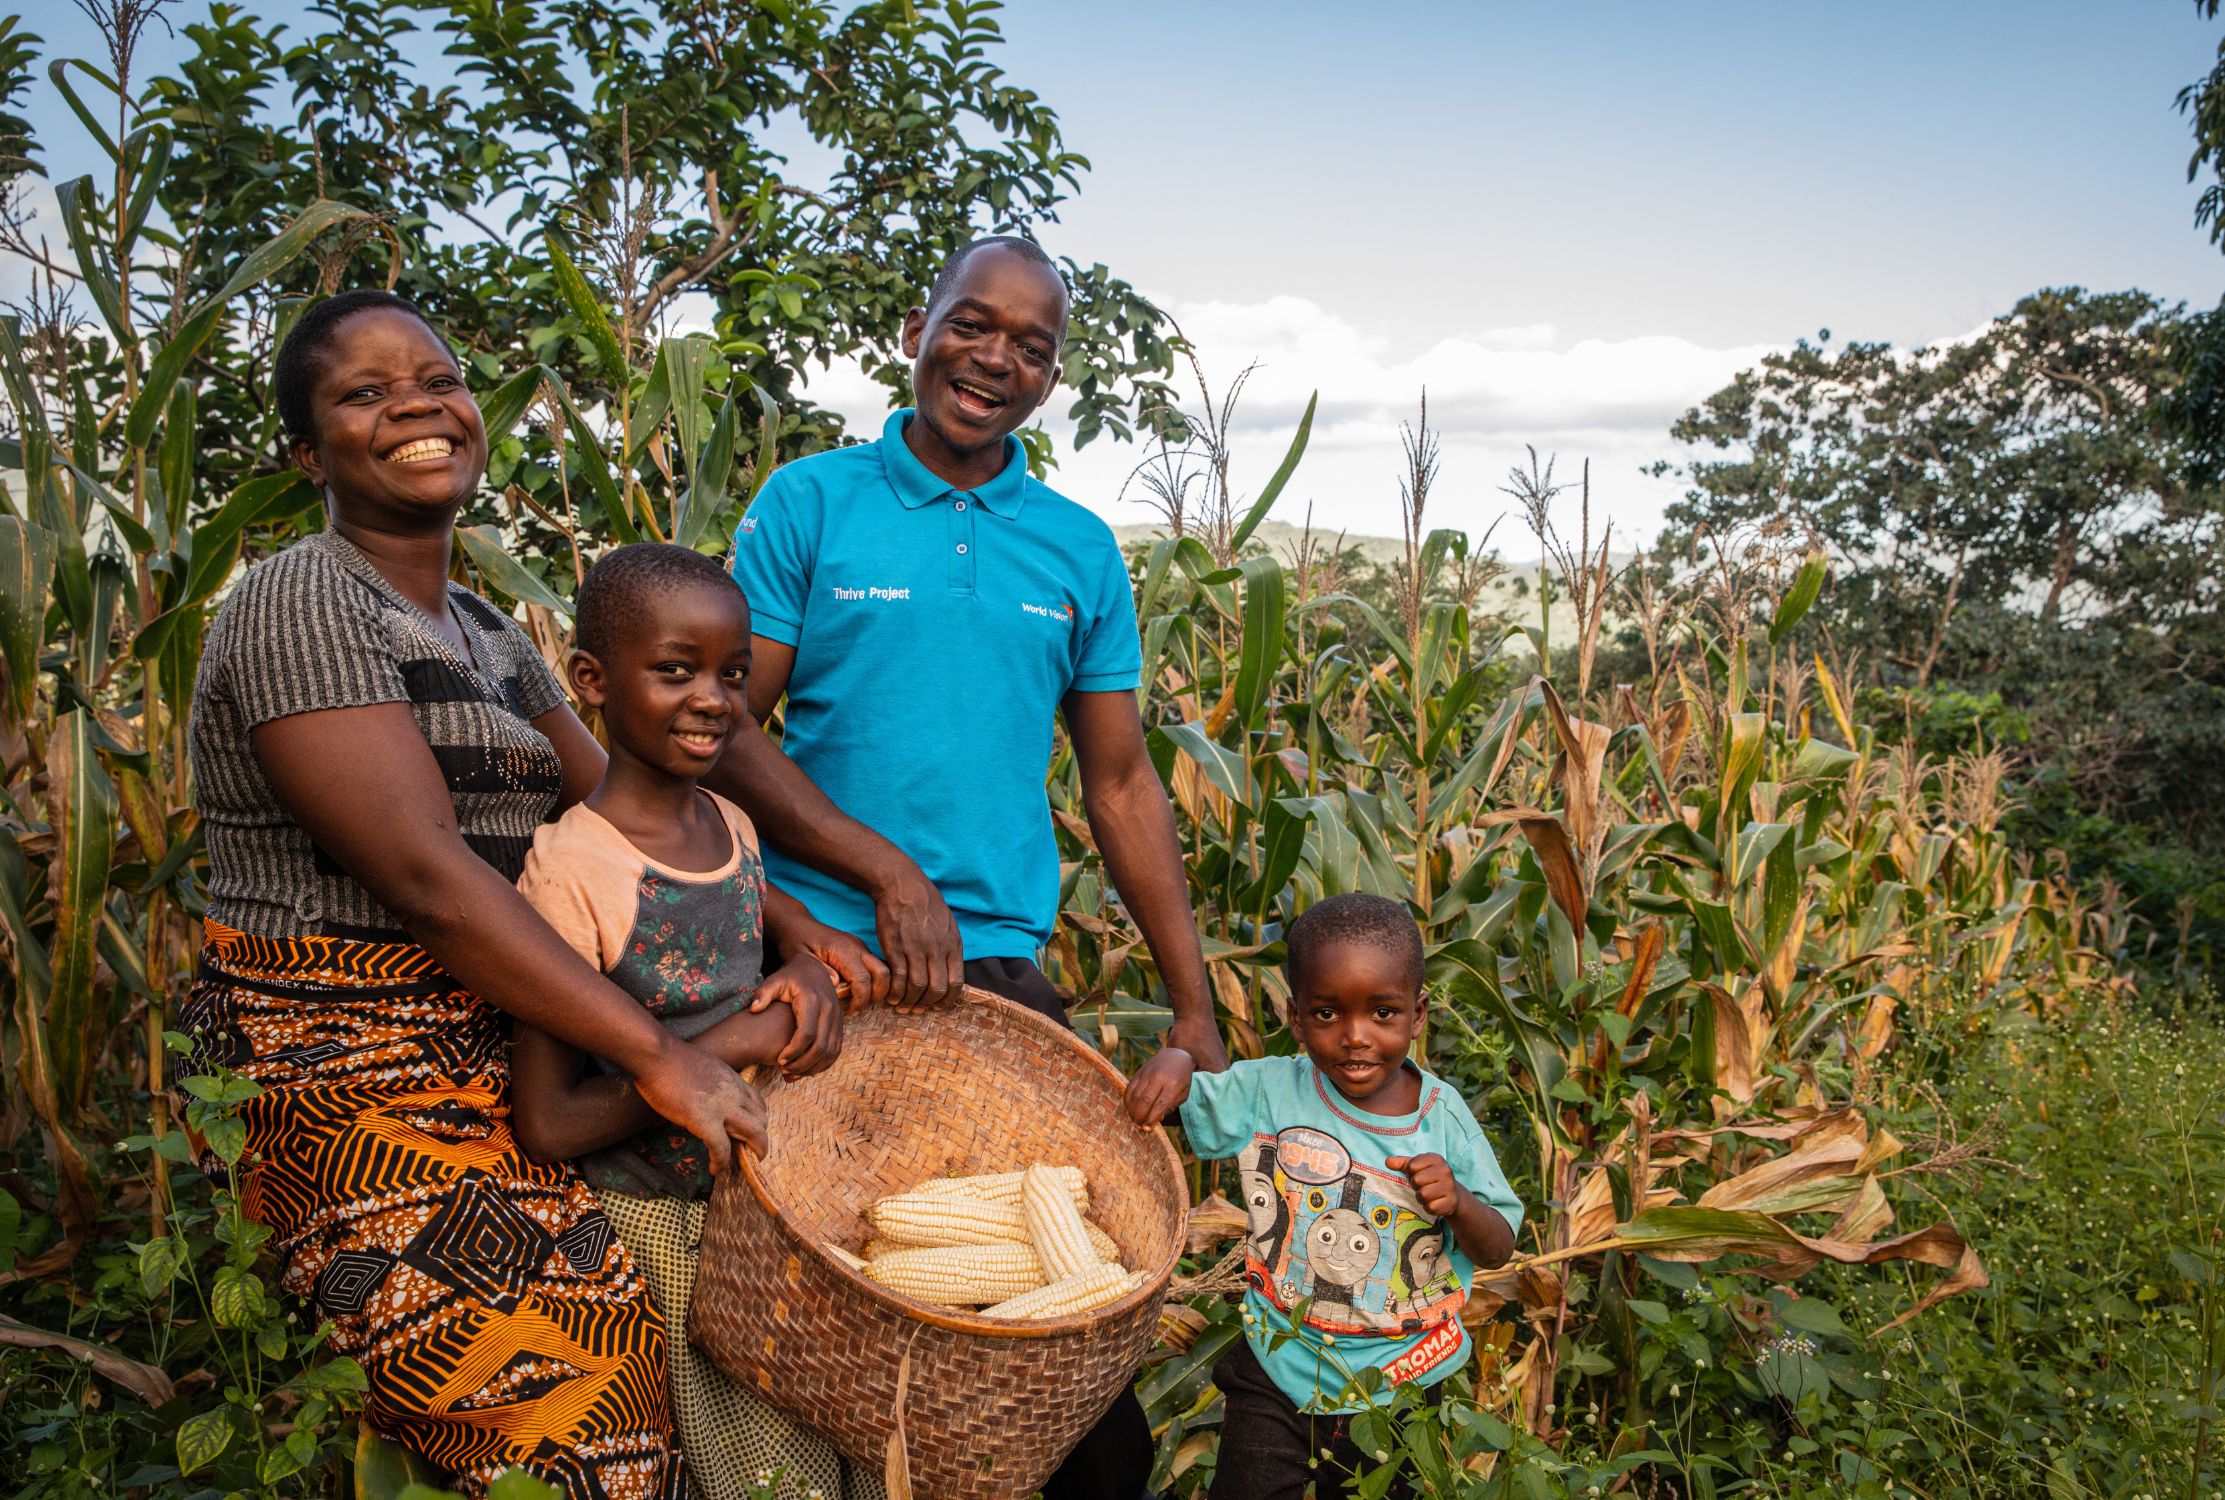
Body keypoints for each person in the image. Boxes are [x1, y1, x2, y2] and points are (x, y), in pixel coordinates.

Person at [181, 291, 851, 1499]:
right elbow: (427, 881)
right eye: (365, 394)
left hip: (519, 1041)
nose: (418, 408)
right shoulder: (304, 598)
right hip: (343, 1065)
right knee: (574, 1388)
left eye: (436, 381)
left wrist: (805, 937)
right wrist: (662, 1056)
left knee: (730, 1348)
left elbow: (628, 813)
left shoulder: (488, 631)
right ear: (304, 453)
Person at [711, 235, 1232, 1498]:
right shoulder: (812, 503)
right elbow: (720, 724)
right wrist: (879, 875)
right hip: (809, 958)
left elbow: (1118, 784)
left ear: (1050, 377)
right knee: (794, 1317)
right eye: (972, 324)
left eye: (1031, 346)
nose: (995, 358)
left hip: (991, 972)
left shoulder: (1073, 547)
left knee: (1056, 1363)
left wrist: (1196, 1007)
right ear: (916, 327)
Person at [508, 543, 879, 1500]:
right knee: (768, 1475)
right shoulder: (571, 872)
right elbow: (550, 1124)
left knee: (865, 1446)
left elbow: (752, 970)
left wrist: (804, 970)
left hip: (776, 1205)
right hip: (670, 1229)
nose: (713, 699)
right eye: (675, 671)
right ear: (590, 680)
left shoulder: (732, 824)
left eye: (732, 675)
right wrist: (725, 1050)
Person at [1159, 894, 1523, 1500]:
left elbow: (1500, 1248)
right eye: (1328, 1015)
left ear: (1418, 1012)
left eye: (1383, 1013)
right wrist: (1174, 1060)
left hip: (1402, 1380)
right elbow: (1184, 1101)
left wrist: (1457, 1200)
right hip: (1279, 1360)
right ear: (1296, 1017)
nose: (1356, 1038)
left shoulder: (1443, 1121)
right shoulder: (1269, 1092)